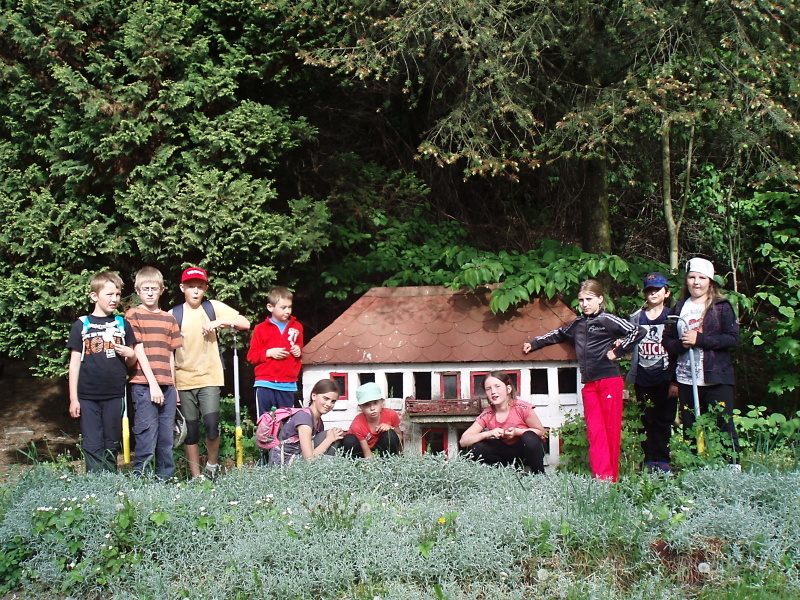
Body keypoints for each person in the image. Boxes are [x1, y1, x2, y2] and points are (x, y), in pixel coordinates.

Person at [523, 279, 646, 481]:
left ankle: (612, 481)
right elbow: (559, 334)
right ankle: (600, 480)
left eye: (589, 299)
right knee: (595, 433)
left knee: (611, 431)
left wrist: (618, 351)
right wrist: (535, 343)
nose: (585, 304)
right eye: (581, 300)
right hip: (589, 384)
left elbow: (638, 331)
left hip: (609, 380)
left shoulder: (608, 320)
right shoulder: (578, 324)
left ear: (600, 299)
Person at [170, 266, 250, 479]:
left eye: (199, 286)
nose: (195, 291)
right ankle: (196, 476)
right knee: (191, 430)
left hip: (210, 378)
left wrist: (220, 322)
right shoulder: (174, 314)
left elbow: (245, 323)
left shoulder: (213, 307)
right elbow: (167, 350)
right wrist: (171, 384)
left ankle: (211, 467)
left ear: (206, 288)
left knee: (212, 426)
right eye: (190, 286)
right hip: (184, 380)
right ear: (182, 288)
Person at [662, 258, 740, 458]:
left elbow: (732, 338)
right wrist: (682, 344)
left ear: (710, 281)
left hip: (716, 377)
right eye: (692, 277)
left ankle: (732, 466)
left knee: (723, 423)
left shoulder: (721, 306)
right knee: (691, 426)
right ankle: (695, 466)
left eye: (701, 278)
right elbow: (667, 341)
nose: (696, 282)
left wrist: (700, 339)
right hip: (687, 379)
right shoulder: (679, 307)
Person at [67, 271, 138, 473]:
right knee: (92, 442)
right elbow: (74, 364)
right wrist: (73, 399)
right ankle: (94, 481)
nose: (114, 299)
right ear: (94, 296)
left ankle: (110, 480)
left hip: (115, 394)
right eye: (109, 294)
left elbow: (131, 361)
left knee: (111, 441)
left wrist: (131, 354)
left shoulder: (122, 324)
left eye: (118, 294)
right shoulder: (81, 325)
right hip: (87, 395)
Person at [125, 267, 182, 480]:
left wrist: (173, 387)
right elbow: (138, 350)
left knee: (166, 439)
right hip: (144, 384)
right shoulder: (133, 315)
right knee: (146, 435)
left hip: (166, 386)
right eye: (145, 289)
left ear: (161, 290)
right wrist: (153, 385)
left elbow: (170, 354)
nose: (149, 293)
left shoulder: (169, 319)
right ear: (138, 291)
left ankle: (165, 480)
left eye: (154, 289)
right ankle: (142, 480)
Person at [626, 272, 679, 473]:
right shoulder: (635, 318)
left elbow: (678, 351)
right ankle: (648, 459)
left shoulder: (672, 317)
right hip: (643, 376)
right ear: (644, 293)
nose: (653, 293)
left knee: (664, 420)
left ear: (667, 292)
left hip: (665, 376)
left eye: (657, 289)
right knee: (646, 420)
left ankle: (663, 460)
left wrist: (675, 380)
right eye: (649, 290)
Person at [459, 371, 546, 473]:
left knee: (529, 437)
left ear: (508, 389)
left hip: (527, 450)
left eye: (497, 386)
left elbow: (540, 431)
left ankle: (538, 475)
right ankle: (507, 473)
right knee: (478, 447)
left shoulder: (522, 407)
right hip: (506, 453)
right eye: (488, 389)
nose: (493, 391)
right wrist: (489, 433)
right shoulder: (487, 414)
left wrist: (517, 432)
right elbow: (463, 441)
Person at [247, 286, 303, 418]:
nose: (287, 311)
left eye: (289, 307)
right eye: (283, 307)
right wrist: (268, 353)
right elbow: (251, 356)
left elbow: (300, 348)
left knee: (287, 422)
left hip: (287, 384)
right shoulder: (260, 329)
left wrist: (298, 350)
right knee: (265, 421)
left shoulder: (297, 327)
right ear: (270, 307)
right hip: (265, 383)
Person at [269, 379, 345, 465]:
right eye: (325, 398)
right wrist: (329, 439)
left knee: (333, 435)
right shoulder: (304, 418)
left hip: (298, 457)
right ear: (314, 396)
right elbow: (309, 460)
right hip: (284, 461)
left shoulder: (318, 421)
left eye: (333, 401)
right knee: (332, 453)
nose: (329, 404)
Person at [342, 382, 403, 458]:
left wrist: (390, 428)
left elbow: (399, 437)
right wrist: (370, 462)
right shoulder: (357, 424)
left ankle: (389, 461)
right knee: (349, 440)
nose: (372, 408)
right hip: (362, 452)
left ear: (382, 402)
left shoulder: (391, 414)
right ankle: (355, 463)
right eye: (367, 404)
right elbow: (367, 454)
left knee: (390, 435)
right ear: (361, 407)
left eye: (375, 402)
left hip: (382, 450)